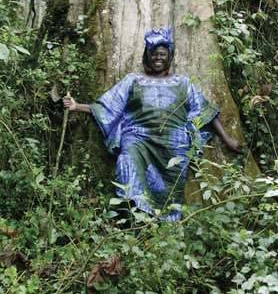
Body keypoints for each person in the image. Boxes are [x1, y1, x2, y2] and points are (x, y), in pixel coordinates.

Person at [63, 27, 241, 221]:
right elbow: (109, 107)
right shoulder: (133, 80)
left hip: (173, 143)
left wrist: (228, 139)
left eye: (162, 54)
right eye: (153, 54)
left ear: (170, 57)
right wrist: (76, 106)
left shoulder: (183, 83)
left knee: (171, 186)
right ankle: (135, 219)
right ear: (147, 56)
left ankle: (165, 224)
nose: (158, 58)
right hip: (138, 139)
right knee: (126, 161)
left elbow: (205, 111)